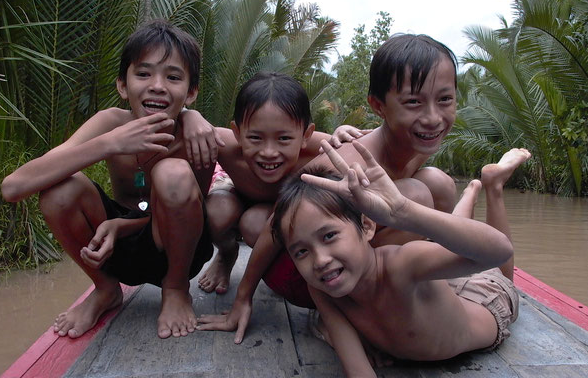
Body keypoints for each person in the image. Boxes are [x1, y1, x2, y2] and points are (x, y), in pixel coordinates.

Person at [196, 34, 460, 342]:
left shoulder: (418, 143)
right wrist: (243, 298)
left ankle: (422, 287)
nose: (432, 117)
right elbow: (274, 225)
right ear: (379, 106)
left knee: (438, 184)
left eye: (445, 100)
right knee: (415, 195)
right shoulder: (347, 161)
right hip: (308, 275)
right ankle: (338, 313)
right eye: (413, 102)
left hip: (357, 262)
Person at [1, 19, 215, 339]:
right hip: (116, 249)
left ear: (191, 92)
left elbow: (269, 145)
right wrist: (111, 142)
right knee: (60, 190)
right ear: (122, 86)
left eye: (172, 77)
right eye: (143, 74)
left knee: (173, 173)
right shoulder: (109, 123)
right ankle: (105, 289)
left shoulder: (198, 134)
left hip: (179, 251)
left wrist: (194, 118)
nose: (157, 85)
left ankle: (175, 288)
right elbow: (13, 187)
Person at [271, 140, 529, 377]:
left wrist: (402, 211)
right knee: (448, 248)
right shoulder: (322, 290)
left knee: (501, 274)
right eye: (301, 251)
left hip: (485, 298)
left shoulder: (403, 263)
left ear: (368, 226)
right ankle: (471, 192)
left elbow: (499, 250)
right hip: (440, 290)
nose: (320, 260)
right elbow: (358, 370)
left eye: (329, 236)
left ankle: (491, 186)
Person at [181, 72, 368, 295]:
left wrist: (343, 134)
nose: (269, 152)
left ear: (306, 135)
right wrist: (188, 115)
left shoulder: (323, 149)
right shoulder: (222, 143)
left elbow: (367, 151)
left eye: (284, 139)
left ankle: (286, 274)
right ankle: (226, 254)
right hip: (237, 196)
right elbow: (172, 123)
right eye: (255, 138)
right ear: (237, 133)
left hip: (278, 213)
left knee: (256, 224)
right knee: (216, 211)